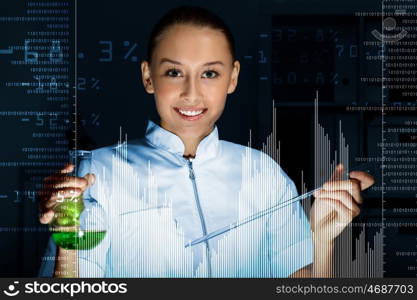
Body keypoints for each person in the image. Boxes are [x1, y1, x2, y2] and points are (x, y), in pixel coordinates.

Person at [38, 5, 374, 278]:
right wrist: (67, 238)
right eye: (173, 72)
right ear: (147, 77)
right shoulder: (97, 171)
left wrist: (322, 240)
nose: (192, 93)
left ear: (233, 78)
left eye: (210, 73)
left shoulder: (262, 172)